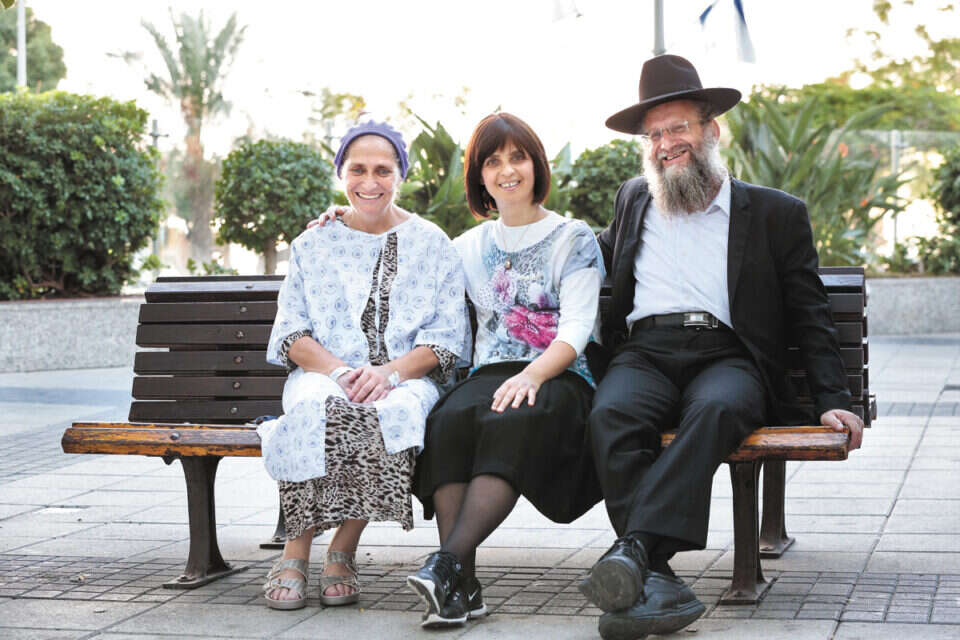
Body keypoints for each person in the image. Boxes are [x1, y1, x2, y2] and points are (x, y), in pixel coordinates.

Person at [577, 54, 866, 640]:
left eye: (678, 127)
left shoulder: (776, 213)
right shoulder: (633, 199)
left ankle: (634, 551)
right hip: (646, 352)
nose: (666, 144)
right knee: (610, 413)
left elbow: (810, 314)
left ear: (712, 130)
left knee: (717, 409)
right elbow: (587, 254)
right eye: (654, 135)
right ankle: (655, 578)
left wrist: (836, 399)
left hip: (728, 354)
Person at [257, 121, 471, 610]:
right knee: (316, 411)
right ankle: (295, 551)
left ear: (401, 175)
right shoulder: (313, 243)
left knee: (389, 413)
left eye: (382, 170)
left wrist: (388, 373)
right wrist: (340, 373)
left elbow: (445, 340)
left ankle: (343, 550)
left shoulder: (433, 243)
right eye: (357, 170)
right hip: (323, 373)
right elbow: (290, 334)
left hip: (406, 377)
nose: (369, 182)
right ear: (341, 174)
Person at [405, 113, 605, 628]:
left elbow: (577, 326)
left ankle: (446, 565)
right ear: (480, 176)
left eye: (518, 157)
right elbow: (407, 253)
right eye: (493, 162)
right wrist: (344, 213)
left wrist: (534, 374)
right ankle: (460, 588)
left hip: (560, 376)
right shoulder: (465, 247)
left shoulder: (573, 238)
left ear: (536, 165)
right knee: (448, 421)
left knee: (509, 418)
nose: (507, 170)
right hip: (489, 374)